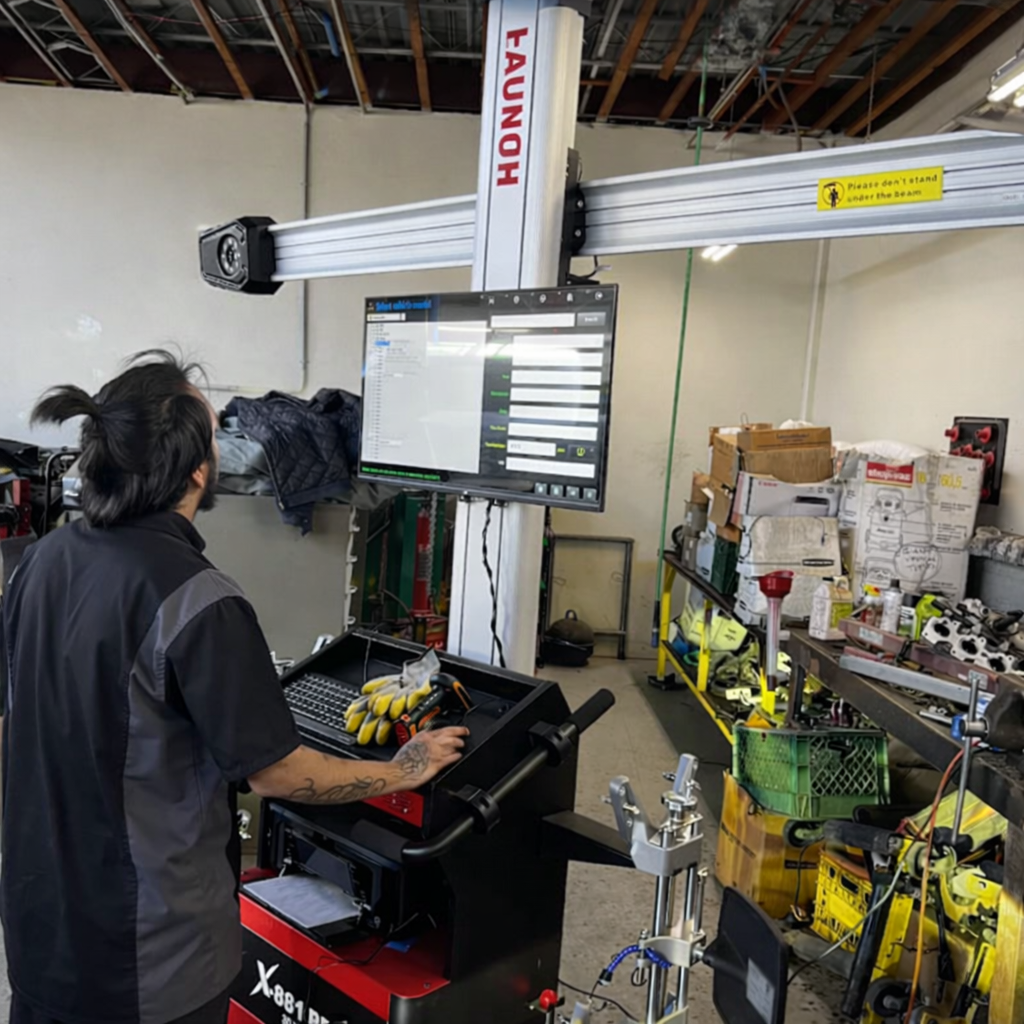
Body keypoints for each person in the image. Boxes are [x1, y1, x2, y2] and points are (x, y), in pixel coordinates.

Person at [0, 351, 467, 1024]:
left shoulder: (35, 564)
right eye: (215, 435)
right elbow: (278, 774)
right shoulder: (199, 599)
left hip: (40, 935)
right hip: (149, 965)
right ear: (196, 469)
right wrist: (399, 770)